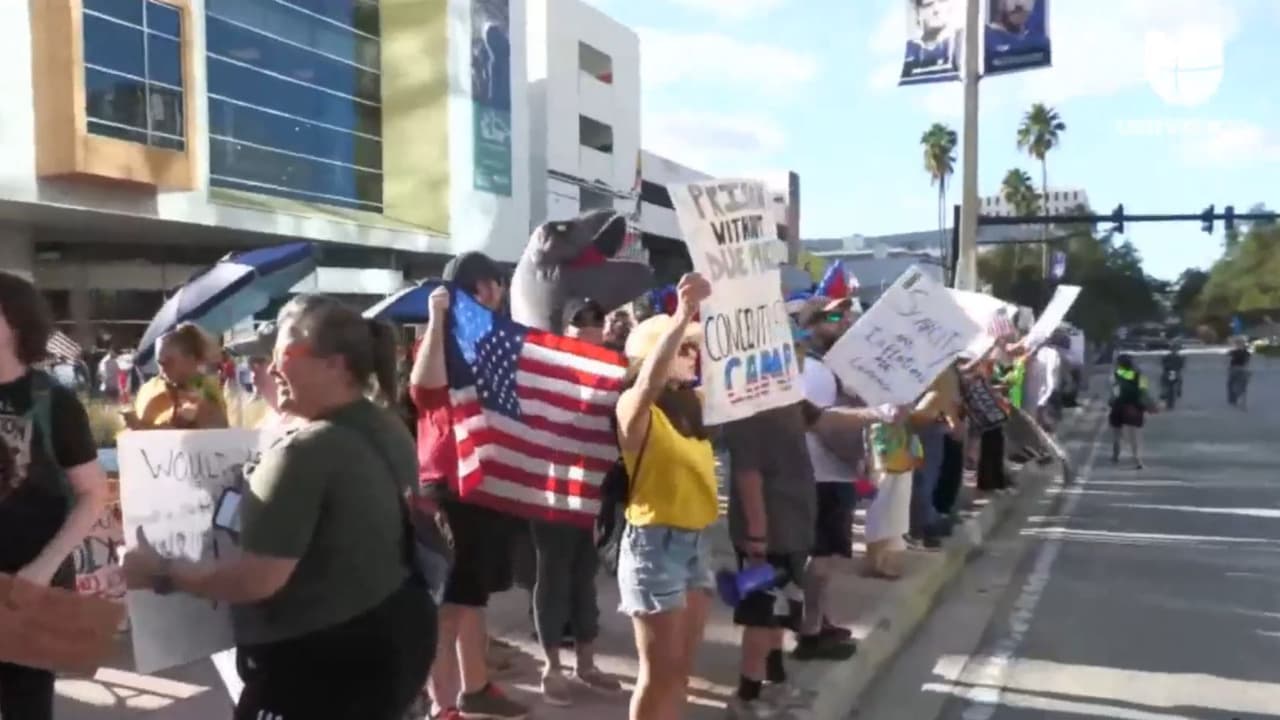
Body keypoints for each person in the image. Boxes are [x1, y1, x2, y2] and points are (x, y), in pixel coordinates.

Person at [121, 294, 435, 720]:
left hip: (322, 665)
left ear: (336, 364)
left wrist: (159, 573)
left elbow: (256, 580)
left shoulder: (306, 452)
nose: (270, 369)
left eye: (285, 355)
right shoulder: (386, 424)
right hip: (396, 641)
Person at [411, 252, 529, 720]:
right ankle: (442, 705)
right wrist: (437, 320)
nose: (495, 294)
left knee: (472, 596)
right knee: (452, 603)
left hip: (486, 482)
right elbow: (423, 390)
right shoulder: (444, 338)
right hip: (451, 483)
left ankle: (475, 686)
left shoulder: (492, 341)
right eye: (489, 286)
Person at [0, 271, 111, 719]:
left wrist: (43, 568)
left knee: (27, 708)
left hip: (30, 591)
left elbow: (93, 494)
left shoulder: (54, 401)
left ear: (16, 322)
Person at [613, 274, 718, 720]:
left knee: (681, 672)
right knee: (658, 673)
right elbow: (648, 381)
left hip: (696, 543)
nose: (694, 355)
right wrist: (681, 315)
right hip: (655, 547)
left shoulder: (694, 406)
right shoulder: (633, 409)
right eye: (685, 349)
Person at [529, 297, 621, 705]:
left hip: (593, 490)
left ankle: (586, 662)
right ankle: (552, 667)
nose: (590, 327)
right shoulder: (548, 371)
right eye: (580, 322)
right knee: (553, 577)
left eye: (596, 321)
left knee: (584, 576)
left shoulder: (613, 372)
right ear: (564, 330)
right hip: (551, 490)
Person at [790, 296, 865, 660]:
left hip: (827, 474)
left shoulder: (827, 368)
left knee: (825, 557)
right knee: (820, 559)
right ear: (812, 324)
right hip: (822, 476)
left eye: (845, 315)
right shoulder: (812, 370)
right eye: (834, 317)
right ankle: (810, 632)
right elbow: (823, 425)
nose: (843, 321)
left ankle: (819, 620)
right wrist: (858, 457)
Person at [126, 323, 228, 430]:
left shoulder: (207, 390)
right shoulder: (158, 389)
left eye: (169, 362)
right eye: (160, 363)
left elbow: (217, 428)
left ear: (190, 359)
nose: (163, 369)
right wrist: (139, 425)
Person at [1109, 354, 1149, 469]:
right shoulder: (1141, 376)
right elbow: (1144, 393)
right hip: (1134, 407)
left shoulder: (1116, 374)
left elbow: (1114, 392)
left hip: (1119, 406)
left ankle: (1115, 455)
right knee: (1134, 436)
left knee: (1117, 433)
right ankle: (1137, 460)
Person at [1227, 338, 1251, 408]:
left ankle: (1233, 399)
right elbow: (1248, 362)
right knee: (1242, 385)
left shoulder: (1233, 352)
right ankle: (1241, 400)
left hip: (1234, 369)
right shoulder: (1247, 353)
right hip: (1243, 369)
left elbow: (1226, 359)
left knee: (1230, 384)